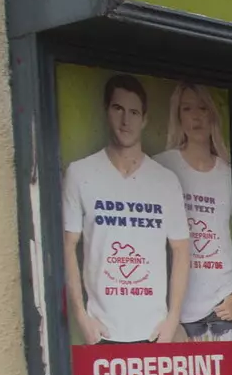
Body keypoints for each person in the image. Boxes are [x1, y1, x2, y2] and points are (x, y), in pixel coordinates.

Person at [62, 74, 189, 343]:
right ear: (106, 111)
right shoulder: (81, 173)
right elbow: (67, 245)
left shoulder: (165, 181)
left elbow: (181, 249)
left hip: (154, 332)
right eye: (118, 109)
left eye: (133, 112)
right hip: (102, 331)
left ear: (144, 119)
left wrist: (172, 319)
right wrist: (81, 317)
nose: (125, 120)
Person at [155, 82, 232, 341]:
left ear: (212, 113)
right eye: (187, 108)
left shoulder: (230, 173)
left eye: (202, 107)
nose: (196, 116)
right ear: (178, 115)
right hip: (177, 313)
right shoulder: (162, 166)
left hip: (223, 305)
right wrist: (168, 316)